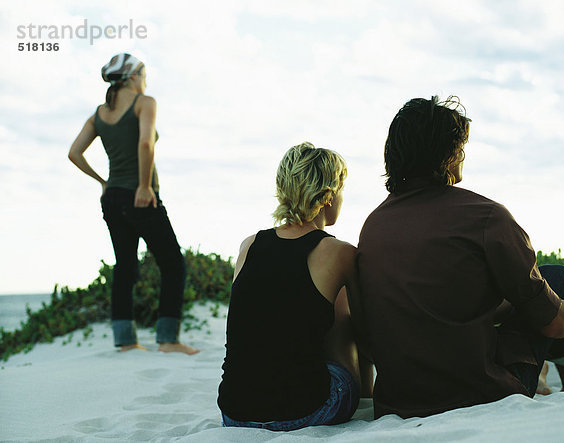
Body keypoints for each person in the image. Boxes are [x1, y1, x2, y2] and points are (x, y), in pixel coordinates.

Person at [357, 96, 564, 419]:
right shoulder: (486, 217)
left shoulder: (373, 226)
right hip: (477, 392)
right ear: (447, 154)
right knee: (561, 280)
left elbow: (435, 306)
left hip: (400, 398)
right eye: (461, 149)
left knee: (538, 294)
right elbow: (551, 322)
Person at [217, 142, 373, 431]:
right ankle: (368, 395)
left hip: (234, 413)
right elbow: (365, 331)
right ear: (329, 195)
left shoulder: (248, 245)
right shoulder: (339, 252)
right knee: (342, 310)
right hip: (307, 410)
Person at [68, 53, 199, 355]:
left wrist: (102, 181)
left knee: (125, 268)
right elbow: (145, 142)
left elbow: (74, 153)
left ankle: (125, 341)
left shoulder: (99, 114)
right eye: (143, 72)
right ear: (132, 76)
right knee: (173, 265)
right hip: (139, 195)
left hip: (112, 198)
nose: (145, 78)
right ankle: (167, 340)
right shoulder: (145, 103)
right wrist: (143, 186)